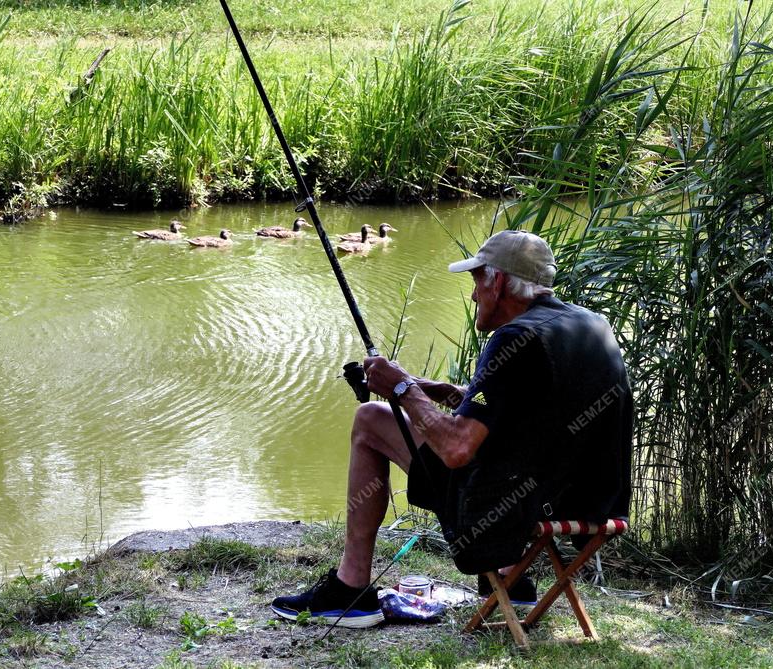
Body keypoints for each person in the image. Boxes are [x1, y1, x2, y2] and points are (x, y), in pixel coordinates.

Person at [270, 230, 633, 628]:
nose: (475, 295)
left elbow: (457, 449)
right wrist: (443, 391)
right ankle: (513, 580)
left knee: (370, 420)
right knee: (505, 460)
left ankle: (350, 589)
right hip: (586, 506)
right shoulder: (588, 324)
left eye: (478, 281)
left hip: (506, 508)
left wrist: (402, 389)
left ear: (497, 281)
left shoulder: (513, 337)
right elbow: (532, 413)